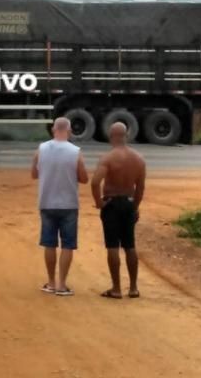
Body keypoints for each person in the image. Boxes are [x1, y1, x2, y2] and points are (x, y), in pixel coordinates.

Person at [31, 117, 89, 296]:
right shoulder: (75, 151)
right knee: (67, 245)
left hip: (46, 201)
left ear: (53, 130)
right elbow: (84, 178)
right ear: (69, 131)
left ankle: (50, 282)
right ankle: (62, 285)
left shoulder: (40, 149)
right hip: (68, 204)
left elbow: (34, 174)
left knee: (49, 243)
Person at [91, 122, 146, 299]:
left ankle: (116, 288)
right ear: (126, 136)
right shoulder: (138, 159)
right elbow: (140, 188)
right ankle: (134, 288)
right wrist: (135, 207)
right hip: (129, 203)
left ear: (111, 136)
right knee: (130, 245)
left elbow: (94, 182)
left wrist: (99, 203)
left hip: (112, 204)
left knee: (112, 245)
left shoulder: (107, 158)